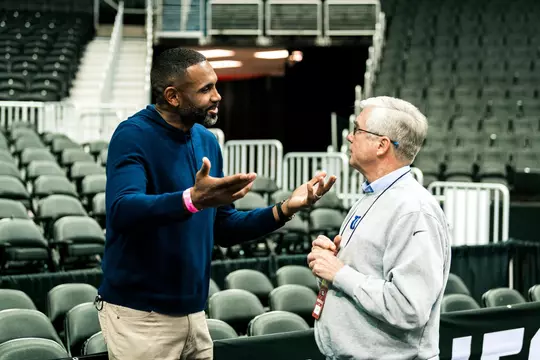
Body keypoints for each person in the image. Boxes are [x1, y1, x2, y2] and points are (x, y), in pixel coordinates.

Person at [95, 47, 337, 360]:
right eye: (206, 88)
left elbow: (224, 227)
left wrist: (285, 208)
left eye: (216, 85)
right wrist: (190, 199)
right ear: (172, 96)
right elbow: (122, 209)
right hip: (141, 315)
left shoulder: (207, 140)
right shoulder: (132, 135)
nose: (218, 96)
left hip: (194, 313)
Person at [308, 96, 451, 360]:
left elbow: (409, 307)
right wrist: (328, 262)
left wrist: (339, 272)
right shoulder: (373, 196)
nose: (350, 138)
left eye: (357, 130)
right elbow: (363, 274)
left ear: (382, 145)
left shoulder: (413, 210)